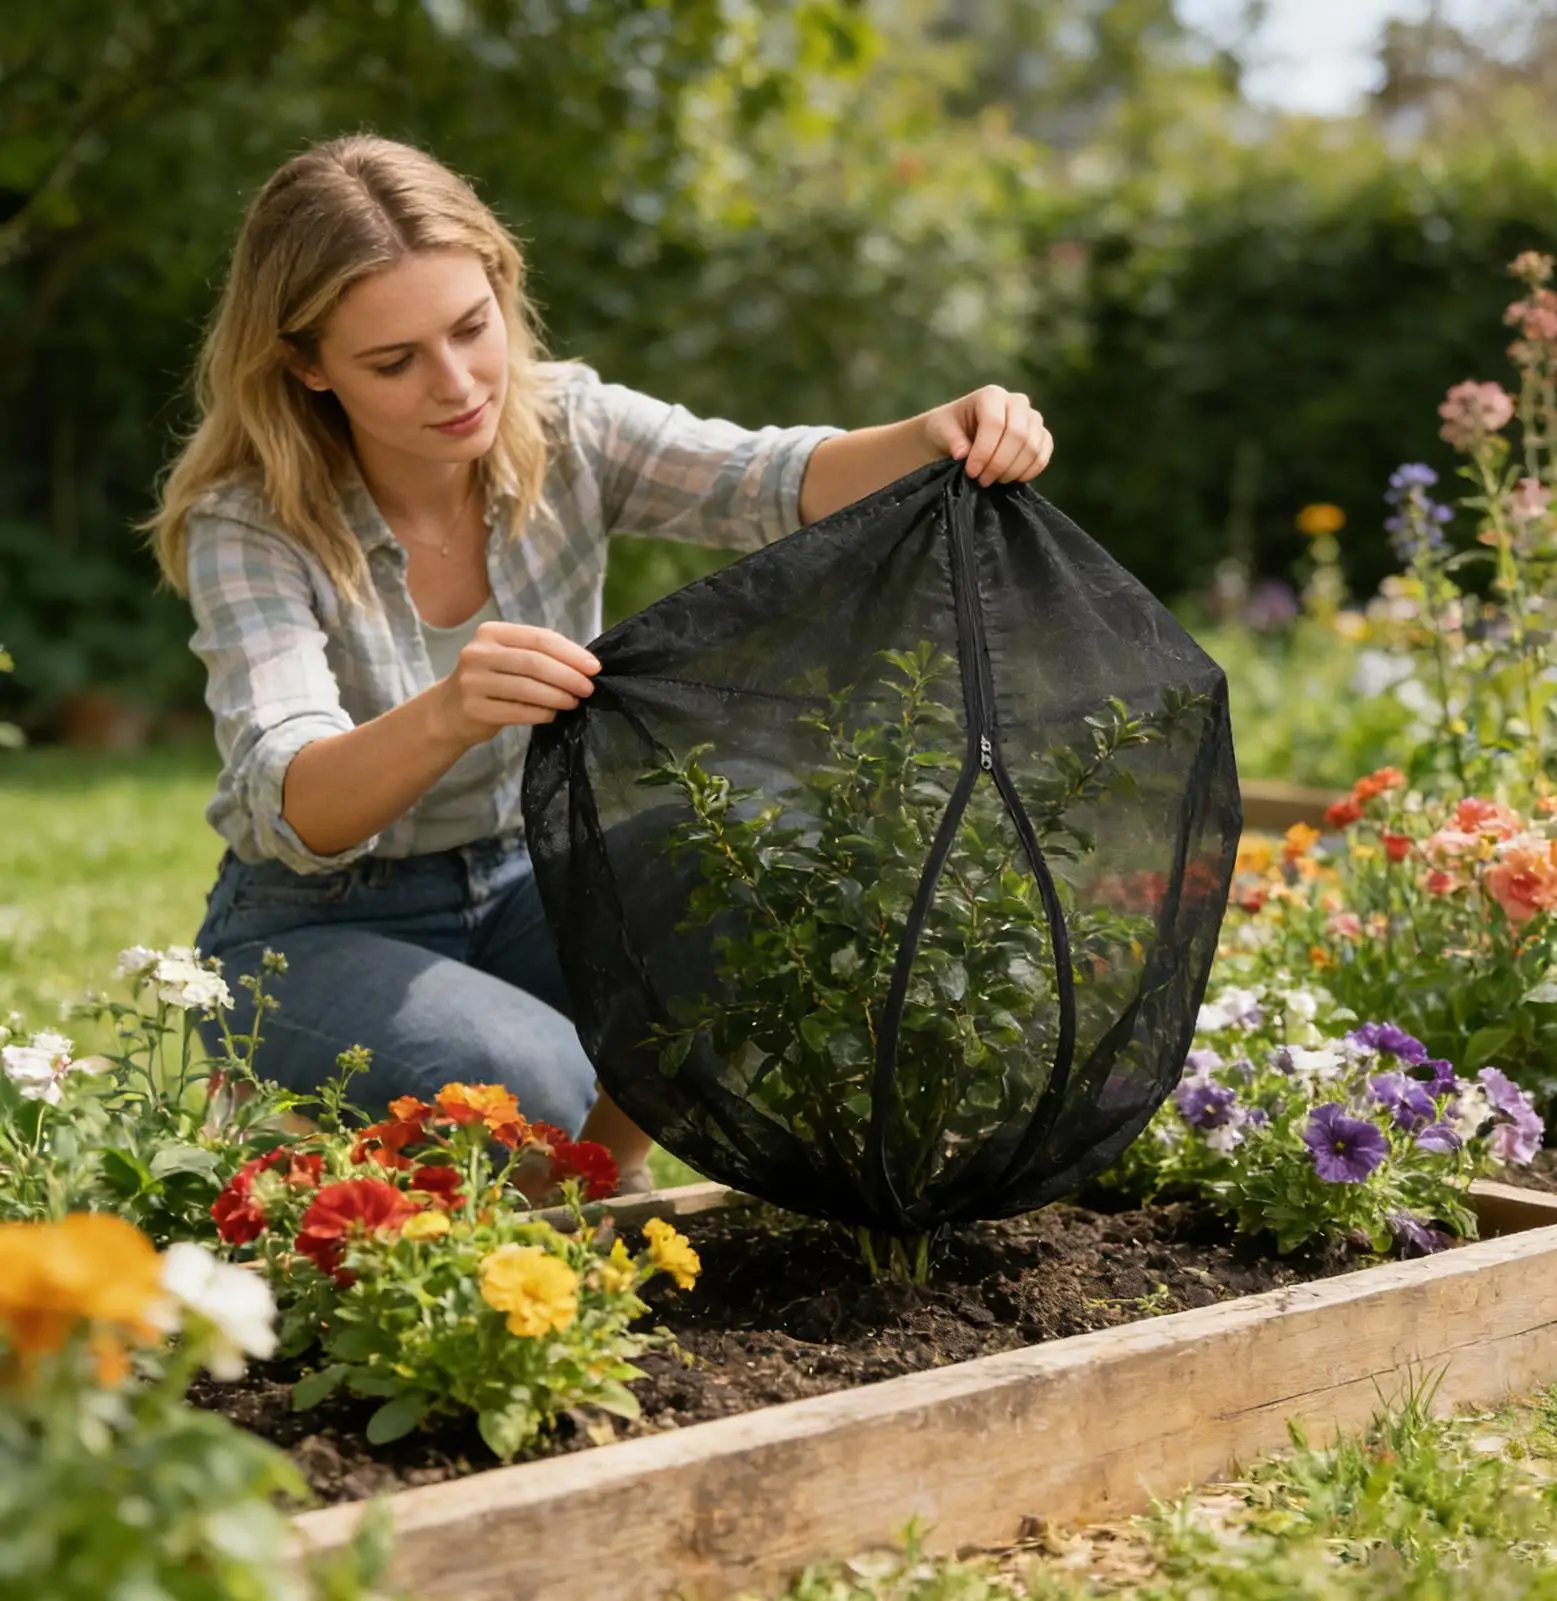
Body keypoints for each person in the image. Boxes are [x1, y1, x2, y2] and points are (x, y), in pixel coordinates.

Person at [148, 134, 1054, 1193]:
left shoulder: (563, 428)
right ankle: (348, 1123)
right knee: (527, 1080)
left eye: (470, 328)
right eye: (393, 361)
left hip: (530, 872)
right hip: (317, 916)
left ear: (500, 284)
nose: (455, 384)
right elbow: (287, 794)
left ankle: (592, 1179)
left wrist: (937, 432)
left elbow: (768, 478)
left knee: (779, 905)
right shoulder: (250, 522)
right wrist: (447, 712)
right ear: (307, 366)